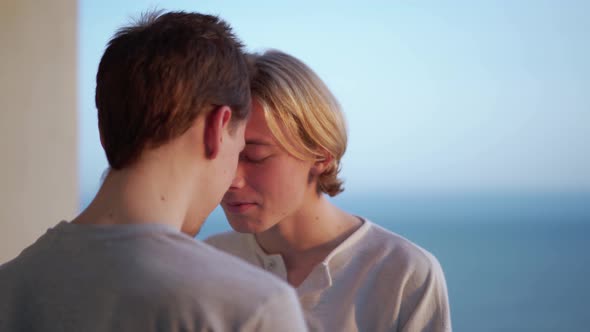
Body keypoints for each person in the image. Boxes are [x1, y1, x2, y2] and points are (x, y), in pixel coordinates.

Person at [0, 12, 308, 332]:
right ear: (217, 129)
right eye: (241, 147)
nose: (234, 177)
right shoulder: (250, 308)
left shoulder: (9, 286)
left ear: (106, 132)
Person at [205, 50, 452, 332]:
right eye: (221, 155)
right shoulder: (205, 262)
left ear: (321, 157)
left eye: (255, 156)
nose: (231, 179)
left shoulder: (404, 273)